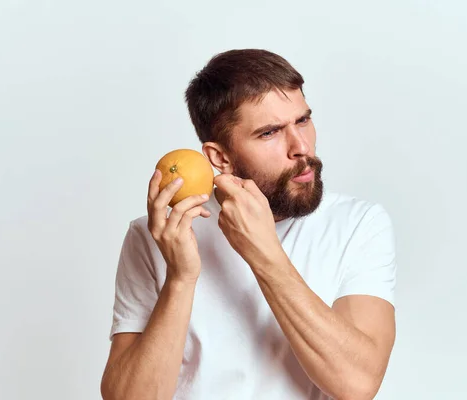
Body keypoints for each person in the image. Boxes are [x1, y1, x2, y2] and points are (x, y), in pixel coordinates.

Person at [100, 49, 397, 400]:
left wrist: (264, 253)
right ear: (220, 157)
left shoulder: (357, 224)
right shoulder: (158, 235)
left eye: (303, 120)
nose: (301, 147)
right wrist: (180, 279)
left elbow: (358, 384)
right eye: (270, 132)